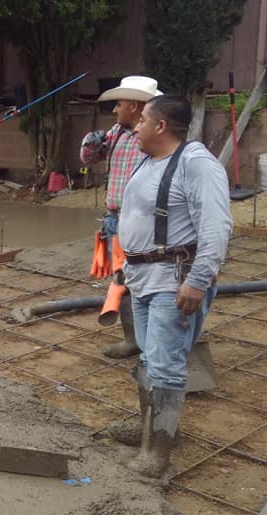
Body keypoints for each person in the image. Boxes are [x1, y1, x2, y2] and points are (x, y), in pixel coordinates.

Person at [117, 95, 232, 477]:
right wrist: (126, 265)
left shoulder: (196, 164)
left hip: (173, 281)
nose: (136, 126)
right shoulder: (149, 162)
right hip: (143, 278)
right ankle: (151, 428)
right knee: (150, 359)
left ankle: (157, 454)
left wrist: (198, 280)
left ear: (161, 127)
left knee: (165, 365)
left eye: (143, 120)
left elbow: (216, 227)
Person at [80, 76, 163, 359]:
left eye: (119, 104)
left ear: (135, 106)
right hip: (116, 219)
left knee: (145, 279)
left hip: (143, 221)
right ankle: (133, 339)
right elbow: (89, 158)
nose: (115, 110)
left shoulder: (155, 137)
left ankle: (152, 340)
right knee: (121, 277)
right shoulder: (116, 134)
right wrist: (93, 141)